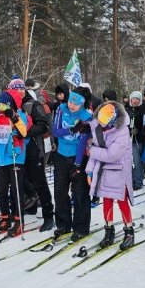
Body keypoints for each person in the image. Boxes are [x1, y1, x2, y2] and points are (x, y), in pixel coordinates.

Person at [86, 102, 136, 250]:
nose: (100, 125)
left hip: (119, 171)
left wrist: (92, 150)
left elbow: (111, 154)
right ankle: (109, 230)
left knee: (122, 201)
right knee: (106, 200)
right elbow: (97, 149)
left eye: (104, 122)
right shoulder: (99, 128)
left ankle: (129, 231)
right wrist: (90, 170)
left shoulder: (122, 131)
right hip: (105, 171)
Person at [0, 89, 31, 237]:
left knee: (16, 190)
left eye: (3, 104)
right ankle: (5, 218)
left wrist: (14, 118)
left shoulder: (20, 115)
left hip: (15, 156)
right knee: (1, 190)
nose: (0, 107)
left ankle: (19, 221)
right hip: (1, 158)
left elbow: (24, 133)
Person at [51, 88, 93, 240]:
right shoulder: (61, 109)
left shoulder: (87, 116)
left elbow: (82, 142)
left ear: (82, 104)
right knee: (60, 192)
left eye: (76, 103)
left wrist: (77, 164)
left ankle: (81, 227)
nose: (71, 105)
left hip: (78, 158)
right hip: (61, 156)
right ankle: (63, 225)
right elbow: (55, 132)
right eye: (70, 101)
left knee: (80, 193)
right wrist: (72, 129)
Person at [20, 78, 55, 232]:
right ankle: (32, 206)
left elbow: (44, 125)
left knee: (39, 181)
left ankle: (49, 215)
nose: (18, 92)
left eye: (21, 89)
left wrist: (25, 132)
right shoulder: (11, 106)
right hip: (19, 150)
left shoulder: (32, 104)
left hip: (36, 148)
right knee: (23, 178)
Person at [126, 91, 144, 190]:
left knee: (137, 161)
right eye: (133, 99)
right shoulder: (127, 109)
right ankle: (131, 179)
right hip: (128, 139)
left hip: (137, 140)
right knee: (128, 161)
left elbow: (143, 124)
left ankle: (138, 181)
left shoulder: (142, 109)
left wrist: (138, 131)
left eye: (137, 99)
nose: (135, 101)